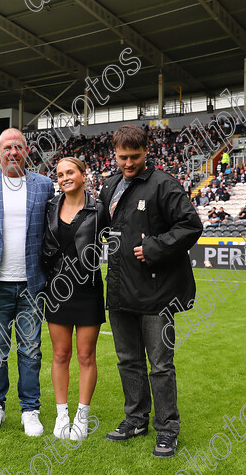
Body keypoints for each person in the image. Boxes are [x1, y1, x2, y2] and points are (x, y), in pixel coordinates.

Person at [98, 125, 203, 458]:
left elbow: (190, 225)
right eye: (122, 157)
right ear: (114, 154)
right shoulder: (110, 185)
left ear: (147, 151)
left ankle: (167, 429)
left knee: (160, 364)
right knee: (128, 361)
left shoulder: (164, 185)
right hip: (119, 290)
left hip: (157, 294)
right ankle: (135, 419)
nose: (128, 163)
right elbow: (101, 227)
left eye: (135, 157)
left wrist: (155, 246)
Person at [0, 128, 54, 437]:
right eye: (7, 147)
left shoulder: (44, 185)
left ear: (27, 151)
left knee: (31, 350)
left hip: (32, 283)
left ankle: (30, 410)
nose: (12, 152)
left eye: (18, 146)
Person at [41, 157, 107, 442]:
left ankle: (82, 415)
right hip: (57, 289)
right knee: (60, 354)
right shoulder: (50, 207)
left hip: (88, 289)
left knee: (86, 355)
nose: (64, 177)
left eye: (70, 172)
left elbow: (115, 240)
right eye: (59, 174)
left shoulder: (100, 208)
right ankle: (62, 415)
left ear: (83, 174)